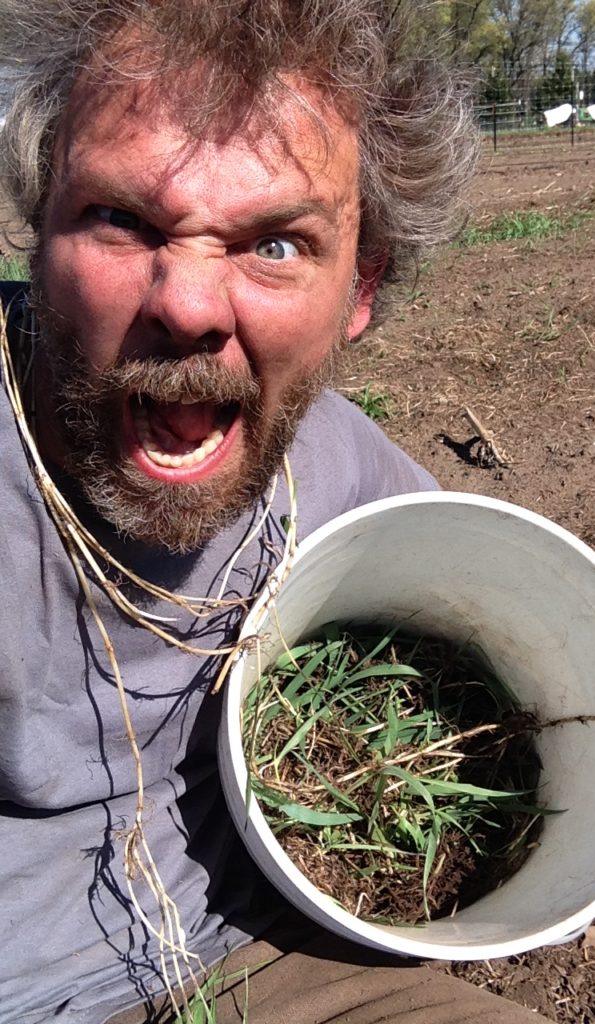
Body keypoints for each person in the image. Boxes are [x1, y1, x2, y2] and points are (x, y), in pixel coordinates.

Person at [0, 2, 555, 1022]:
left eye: (277, 244)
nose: (192, 303)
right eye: (123, 219)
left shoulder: (341, 468)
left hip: (278, 948)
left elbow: (497, 619)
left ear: (363, 288)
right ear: (38, 237)